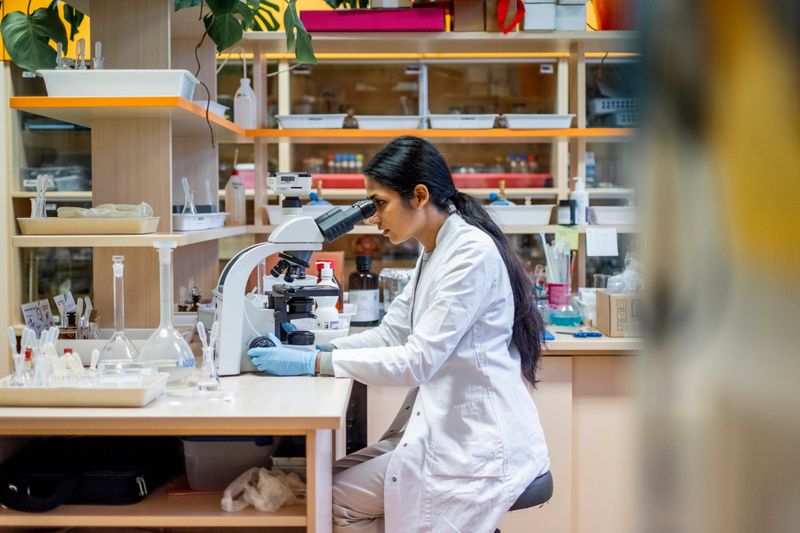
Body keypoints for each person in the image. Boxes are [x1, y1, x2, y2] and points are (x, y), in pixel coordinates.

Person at [248, 136, 550, 532]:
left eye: (379, 203)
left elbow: (417, 361)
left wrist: (315, 363)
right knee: (321, 483)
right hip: (447, 432)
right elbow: (391, 334)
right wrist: (318, 347)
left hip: (478, 446)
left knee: (328, 500)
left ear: (420, 195)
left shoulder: (469, 253)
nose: (373, 217)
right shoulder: (435, 249)